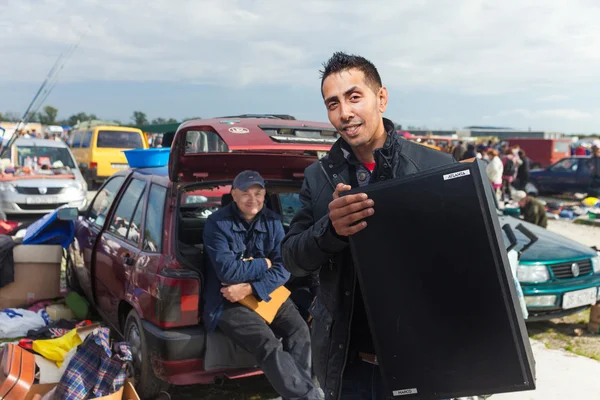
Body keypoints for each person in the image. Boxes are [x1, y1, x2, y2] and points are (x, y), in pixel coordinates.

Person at [281, 52, 455, 400]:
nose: (344, 112)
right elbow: (292, 259)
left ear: (382, 98)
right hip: (348, 369)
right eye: (333, 103)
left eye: (354, 97)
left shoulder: (434, 167)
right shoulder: (319, 178)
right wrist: (329, 230)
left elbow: (470, 264)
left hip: (422, 363)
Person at [202, 170, 320, 400]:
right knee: (267, 343)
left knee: (300, 331)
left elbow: (284, 267)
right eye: (245, 193)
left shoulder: (273, 221)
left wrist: (250, 287)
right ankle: (308, 396)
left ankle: (300, 394)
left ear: (265, 195)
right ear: (234, 195)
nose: (252, 199)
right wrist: (265, 263)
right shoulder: (216, 224)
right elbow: (227, 271)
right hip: (227, 300)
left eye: (258, 193)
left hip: (263, 293)